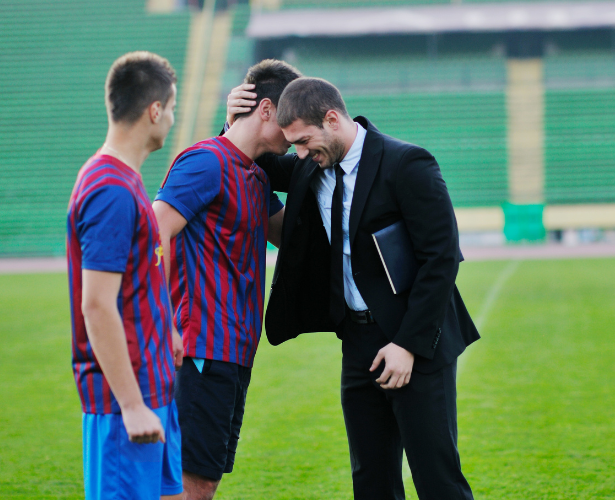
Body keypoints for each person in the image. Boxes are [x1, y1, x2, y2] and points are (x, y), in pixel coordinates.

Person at [228, 77, 479, 500]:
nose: (302, 155)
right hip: (358, 342)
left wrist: (408, 345)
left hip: (417, 342)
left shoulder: (408, 163)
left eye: (306, 142)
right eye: (296, 147)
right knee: (371, 481)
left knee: (437, 479)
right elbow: (254, 159)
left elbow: (442, 259)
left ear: (332, 119)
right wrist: (232, 118)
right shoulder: (312, 164)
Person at [151, 59, 298, 500]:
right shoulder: (206, 162)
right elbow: (151, 235)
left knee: (203, 480)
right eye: (290, 123)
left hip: (235, 351)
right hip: (200, 348)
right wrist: (164, 325)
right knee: (188, 482)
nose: (294, 136)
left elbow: (292, 236)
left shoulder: (255, 176)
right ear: (267, 110)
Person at [66, 51, 184, 500]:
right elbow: (96, 304)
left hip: (154, 386)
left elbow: (138, 281)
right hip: (124, 405)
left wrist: (167, 328)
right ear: (155, 110)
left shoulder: (127, 179)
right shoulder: (110, 190)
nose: (172, 118)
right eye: (171, 108)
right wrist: (132, 406)